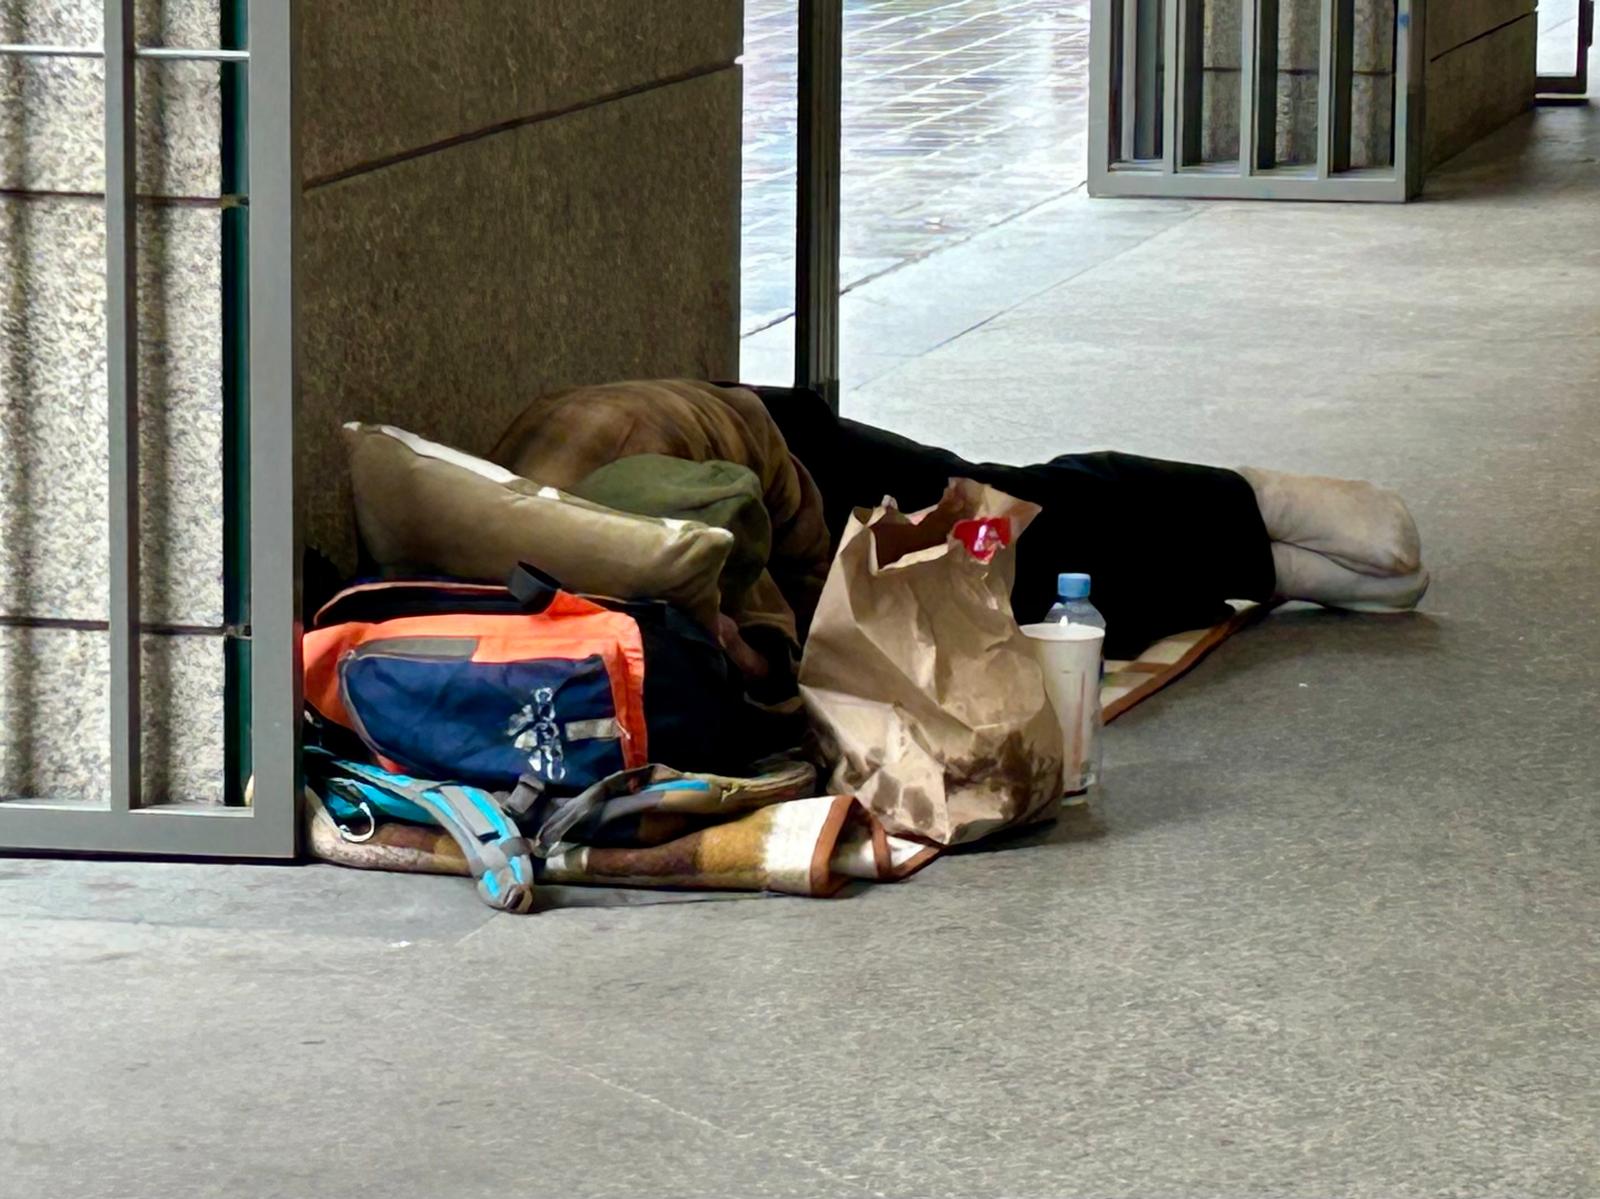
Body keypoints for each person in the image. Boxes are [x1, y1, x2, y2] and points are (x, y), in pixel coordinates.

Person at [491, 379, 1427, 667]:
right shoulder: (539, 605)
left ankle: (1247, 498)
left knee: (1005, 524)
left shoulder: (690, 523)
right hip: (706, 495)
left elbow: (812, 580)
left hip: (789, 459)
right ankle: (1259, 566)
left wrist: (783, 646)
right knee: (1017, 614)